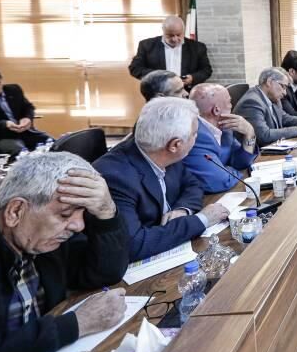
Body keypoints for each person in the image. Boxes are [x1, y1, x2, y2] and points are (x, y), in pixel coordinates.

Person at [0, 152, 129, 352]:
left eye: (83, 213)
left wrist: (106, 212)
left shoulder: (40, 236)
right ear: (15, 211)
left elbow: (104, 273)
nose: (78, 225)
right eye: (65, 214)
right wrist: (75, 324)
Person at [94, 97, 229, 261]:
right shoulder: (115, 177)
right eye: (194, 134)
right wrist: (202, 219)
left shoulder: (160, 149)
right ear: (175, 145)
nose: (196, 138)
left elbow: (192, 184)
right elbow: (135, 244)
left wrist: (182, 210)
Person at [184, 84, 258, 194]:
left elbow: (241, 162)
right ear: (216, 110)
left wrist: (249, 133)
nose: (231, 106)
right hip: (205, 199)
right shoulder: (196, 137)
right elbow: (221, 182)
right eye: (229, 102)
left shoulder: (224, 127)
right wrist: (227, 170)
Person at [236, 68, 297, 146]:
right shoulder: (252, 102)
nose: (285, 93)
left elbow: (284, 118)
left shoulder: (271, 98)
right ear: (269, 82)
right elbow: (264, 136)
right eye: (283, 87)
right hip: (257, 154)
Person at [128, 15, 212, 90]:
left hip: (187, 94)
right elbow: (135, 68)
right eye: (170, 35)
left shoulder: (197, 47)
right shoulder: (147, 45)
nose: (175, 39)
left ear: (183, 31)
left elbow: (206, 70)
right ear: (163, 31)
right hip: (157, 94)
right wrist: (159, 77)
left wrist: (193, 78)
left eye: (178, 35)